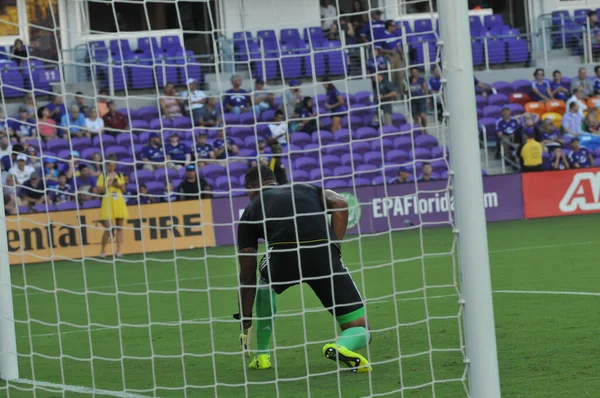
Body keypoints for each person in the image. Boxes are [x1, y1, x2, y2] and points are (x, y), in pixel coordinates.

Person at [235, 165, 370, 372]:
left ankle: (262, 355)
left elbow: (246, 275)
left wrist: (245, 318)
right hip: (323, 256)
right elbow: (340, 203)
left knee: (264, 282)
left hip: (284, 257)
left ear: (252, 188)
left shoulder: (250, 211)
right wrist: (334, 247)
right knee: (361, 327)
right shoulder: (308, 188)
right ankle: (341, 346)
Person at [96, 153, 128, 258]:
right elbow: (98, 190)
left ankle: (118, 250)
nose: (111, 167)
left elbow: (123, 190)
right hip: (108, 201)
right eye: (110, 165)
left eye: (113, 166)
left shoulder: (119, 175)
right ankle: (102, 250)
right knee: (108, 228)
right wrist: (108, 185)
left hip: (118, 201)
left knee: (119, 228)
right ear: (106, 165)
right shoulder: (102, 176)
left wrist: (118, 185)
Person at [377, 20, 405, 91]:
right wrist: (389, 51)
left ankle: (401, 93)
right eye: (393, 26)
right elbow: (379, 49)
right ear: (389, 26)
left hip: (397, 56)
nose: (395, 27)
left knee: (400, 75)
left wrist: (401, 54)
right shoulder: (382, 35)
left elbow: (398, 45)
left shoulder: (395, 34)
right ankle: (392, 92)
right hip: (388, 56)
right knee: (391, 75)